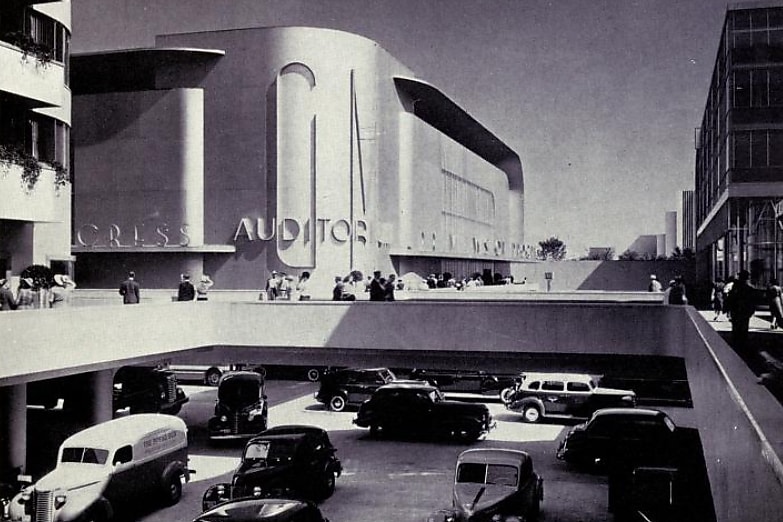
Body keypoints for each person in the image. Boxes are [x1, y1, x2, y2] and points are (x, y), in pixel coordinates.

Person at [725, 270, 757, 352]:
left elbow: (730, 299)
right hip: (744, 312)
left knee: (736, 328)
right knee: (743, 328)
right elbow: (753, 302)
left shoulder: (736, 287)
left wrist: (727, 309)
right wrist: (751, 311)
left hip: (737, 311)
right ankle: (742, 345)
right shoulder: (749, 288)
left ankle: (737, 345)